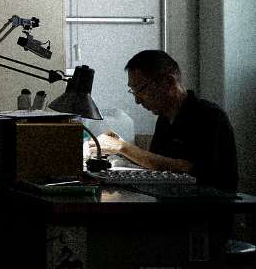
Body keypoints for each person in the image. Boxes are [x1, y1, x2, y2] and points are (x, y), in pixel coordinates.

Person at [96, 49, 238, 191]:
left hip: (207, 202)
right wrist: (121, 150)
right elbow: (156, 165)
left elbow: (190, 169)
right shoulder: (164, 119)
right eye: (133, 92)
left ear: (169, 82)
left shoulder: (209, 116)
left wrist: (123, 148)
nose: (137, 101)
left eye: (140, 90)